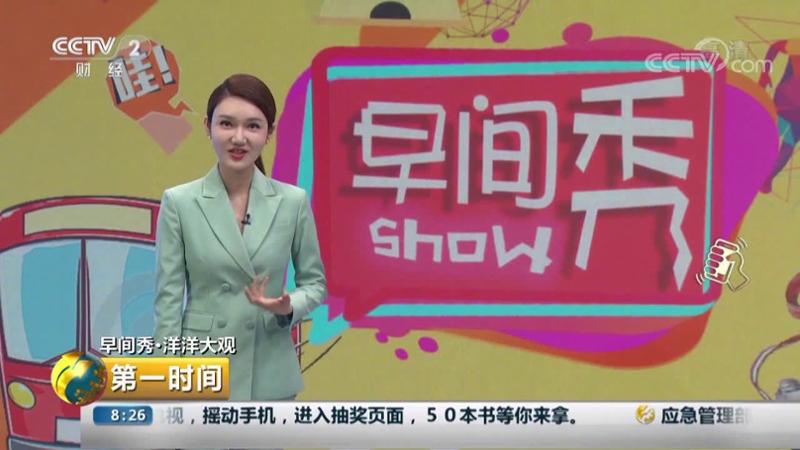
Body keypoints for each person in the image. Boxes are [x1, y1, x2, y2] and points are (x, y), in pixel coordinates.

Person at [153, 73, 327, 402]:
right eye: (227, 124)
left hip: (269, 371)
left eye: (253, 126)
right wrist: (165, 380)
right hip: (202, 370)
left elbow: (315, 284)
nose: (239, 138)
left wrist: (287, 307)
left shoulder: (292, 202)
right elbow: (168, 301)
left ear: (269, 133)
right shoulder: (180, 203)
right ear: (207, 127)